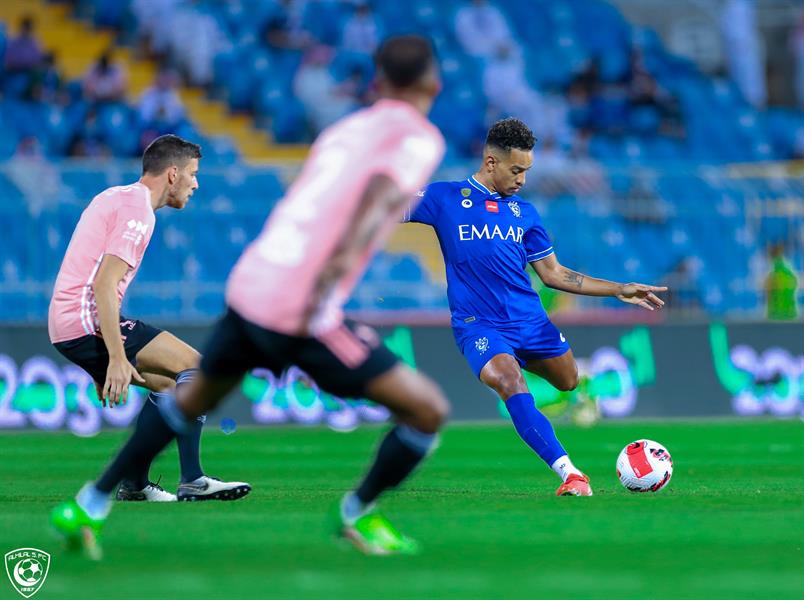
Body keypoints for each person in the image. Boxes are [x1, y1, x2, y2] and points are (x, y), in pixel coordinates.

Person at [51, 35, 448, 558]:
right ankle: (357, 514)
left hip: (252, 283)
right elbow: (371, 203)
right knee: (427, 410)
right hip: (303, 302)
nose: (194, 185)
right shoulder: (419, 140)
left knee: (191, 390)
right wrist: (327, 286)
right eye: (191, 177)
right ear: (433, 83)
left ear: (377, 83)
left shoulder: (343, 130)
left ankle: (92, 501)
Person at [404, 118, 667, 496]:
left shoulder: (524, 213)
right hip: (479, 325)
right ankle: (571, 474)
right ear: (491, 163)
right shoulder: (444, 198)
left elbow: (554, 274)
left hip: (530, 322)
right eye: (516, 170)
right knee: (510, 381)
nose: (522, 179)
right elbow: (382, 206)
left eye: (527, 171)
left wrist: (617, 289)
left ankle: (552, 376)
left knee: (568, 380)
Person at [47, 134, 251, 504]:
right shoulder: (138, 211)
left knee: (169, 385)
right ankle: (193, 479)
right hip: (85, 319)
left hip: (68, 323)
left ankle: (136, 484)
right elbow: (104, 286)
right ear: (172, 174)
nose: (197, 183)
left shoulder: (115, 196)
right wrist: (116, 357)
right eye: (193, 173)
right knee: (196, 369)